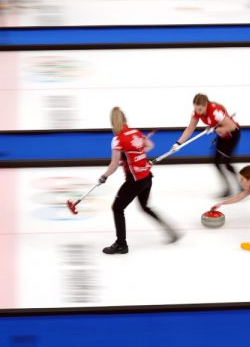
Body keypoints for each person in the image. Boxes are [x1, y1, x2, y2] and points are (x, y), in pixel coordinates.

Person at [76, 107, 178, 255]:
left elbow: (113, 164)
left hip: (134, 181)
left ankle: (121, 244)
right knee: (145, 207)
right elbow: (149, 146)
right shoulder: (135, 133)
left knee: (117, 208)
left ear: (113, 123)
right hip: (147, 178)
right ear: (125, 119)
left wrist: (104, 176)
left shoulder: (117, 140)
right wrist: (138, 155)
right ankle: (170, 231)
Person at [172, 93, 240, 197]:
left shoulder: (215, 111)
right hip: (222, 135)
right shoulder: (196, 112)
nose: (197, 112)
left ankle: (241, 185)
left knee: (226, 163)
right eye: (195, 108)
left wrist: (216, 129)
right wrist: (178, 143)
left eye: (200, 109)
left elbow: (232, 127)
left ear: (206, 105)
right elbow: (190, 128)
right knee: (216, 162)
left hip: (232, 135)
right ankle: (228, 189)